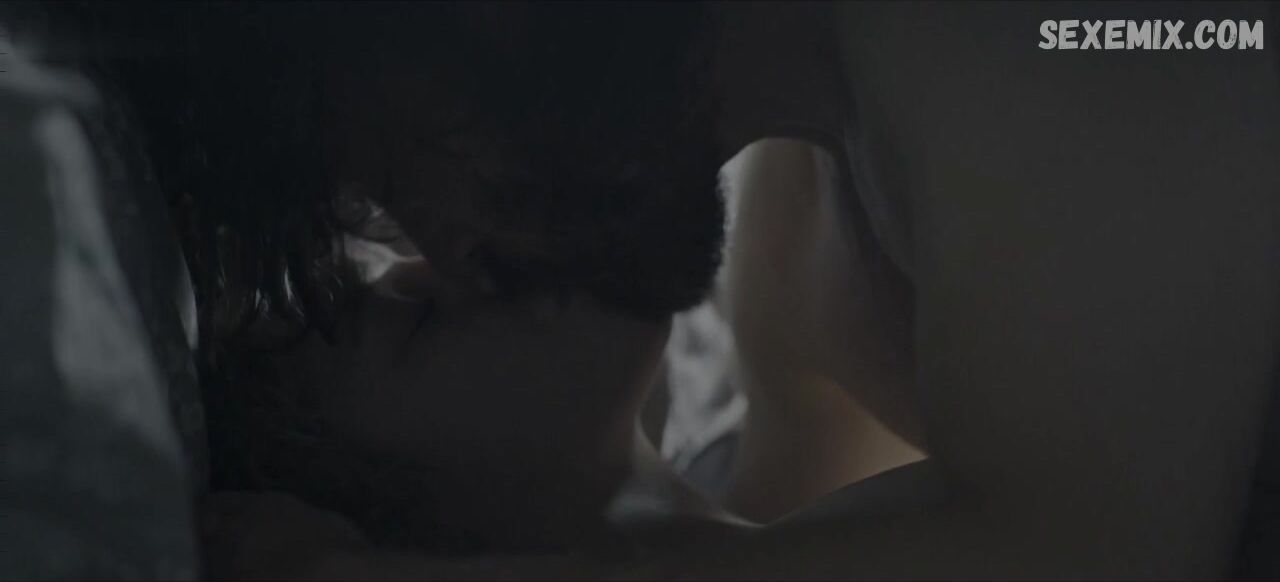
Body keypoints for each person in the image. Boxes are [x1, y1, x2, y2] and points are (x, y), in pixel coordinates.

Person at [206, 1, 1280, 579]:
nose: (447, 252)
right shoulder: (796, 242)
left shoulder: (1023, 44)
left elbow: (1088, 553)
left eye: (405, 169)